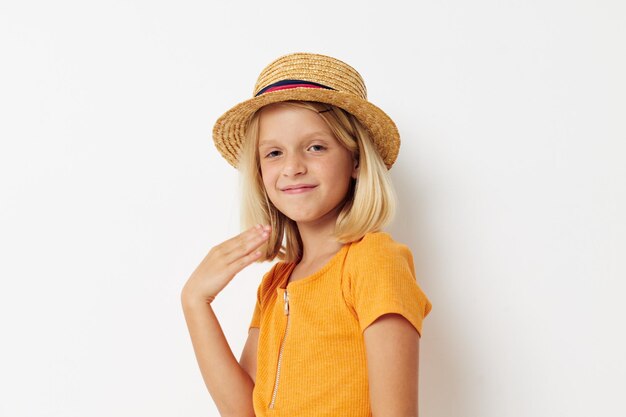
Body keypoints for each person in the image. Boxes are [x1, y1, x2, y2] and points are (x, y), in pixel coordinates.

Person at [181, 52, 433, 417]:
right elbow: (243, 412)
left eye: (315, 147)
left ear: (357, 160)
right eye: (273, 153)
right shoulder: (276, 281)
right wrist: (195, 301)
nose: (293, 168)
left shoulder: (374, 261)